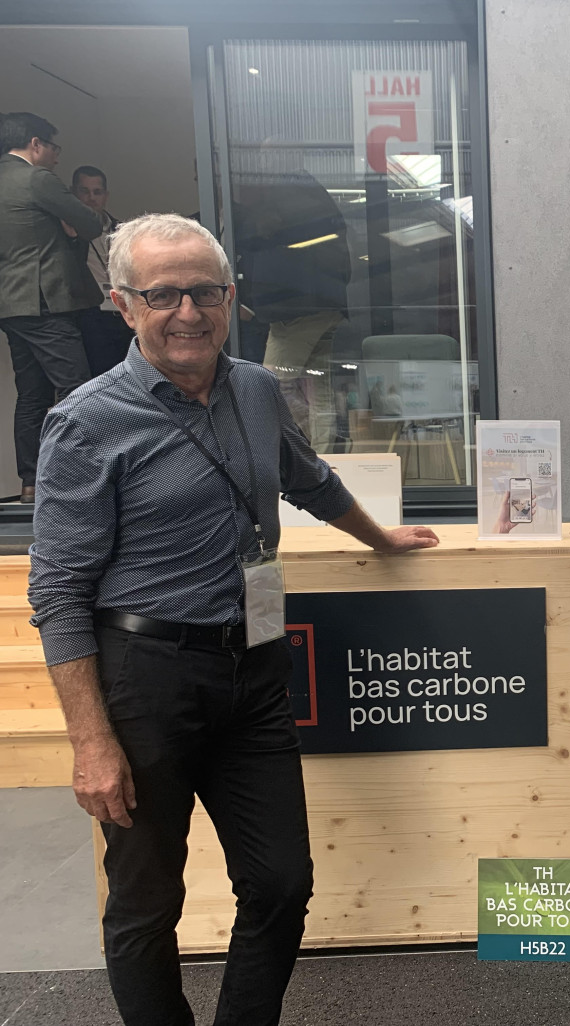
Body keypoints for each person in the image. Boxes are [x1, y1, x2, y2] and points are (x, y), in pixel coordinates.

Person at [27, 213, 439, 1026]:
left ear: (231, 297)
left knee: (283, 882)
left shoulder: (254, 387)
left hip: (253, 667)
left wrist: (381, 536)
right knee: (148, 902)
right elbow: (59, 593)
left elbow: (307, 479)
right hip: (146, 681)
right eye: (164, 294)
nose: (188, 312)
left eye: (204, 291)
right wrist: (90, 741)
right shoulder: (85, 421)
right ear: (122, 304)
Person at [0, 112, 102, 503]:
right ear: (36, 144)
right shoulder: (36, 179)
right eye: (54, 148)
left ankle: (31, 483)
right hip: (46, 301)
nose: (57, 158)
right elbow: (91, 223)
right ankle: (80, 480)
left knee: (31, 394)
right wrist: (70, 226)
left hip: (11, 305)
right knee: (77, 386)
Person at [235, 166, 351, 452]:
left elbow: (262, 248)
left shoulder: (277, 200)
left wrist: (252, 301)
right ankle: (322, 459)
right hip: (325, 305)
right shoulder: (311, 193)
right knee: (320, 391)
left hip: (294, 311)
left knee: (272, 388)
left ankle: (304, 455)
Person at [71, 165, 135, 376]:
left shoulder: (122, 231)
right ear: (74, 193)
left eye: (97, 192)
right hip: (91, 315)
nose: (91, 198)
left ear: (106, 196)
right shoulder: (68, 234)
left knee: (131, 375)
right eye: (84, 191)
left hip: (124, 312)